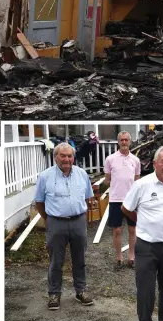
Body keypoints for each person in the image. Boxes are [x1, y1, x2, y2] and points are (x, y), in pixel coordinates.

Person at [121, 146, 163, 321]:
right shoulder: (142, 184)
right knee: (145, 290)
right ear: (154, 164)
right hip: (146, 246)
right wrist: (141, 220)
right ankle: (145, 320)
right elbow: (126, 208)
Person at [34, 142, 94, 310]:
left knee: (80, 259)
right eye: (63, 156)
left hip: (78, 222)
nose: (67, 159)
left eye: (69, 156)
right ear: (55, 157)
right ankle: (54, 294)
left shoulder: (82, 174)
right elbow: (39, 202)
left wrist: (83, 220)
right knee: (56, 261)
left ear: (73, 157)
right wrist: (50, 220)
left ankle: (80, 291)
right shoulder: (45, 176)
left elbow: (88, 198)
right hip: (56, 223)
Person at [104, 130, 141, 270]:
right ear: (118, 142)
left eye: (126, 140)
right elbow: (107, 180)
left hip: (131, 200)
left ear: (130, 142)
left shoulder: (135, 160)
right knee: (117, 230)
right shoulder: (110, 159)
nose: (124, 142)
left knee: (133, 229)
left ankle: (131, 257)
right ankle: (119, 257)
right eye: (121, 140)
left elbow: (137, 181)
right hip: (115, 199)